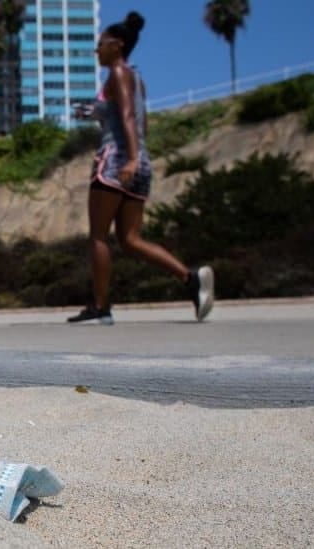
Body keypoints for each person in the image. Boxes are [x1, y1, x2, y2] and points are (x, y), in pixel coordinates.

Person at [68, 11, 213, 325]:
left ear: (117, 45)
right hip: (140, 162)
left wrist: (129, 158)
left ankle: (100, 307)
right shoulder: (138, 80)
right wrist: (100, 115)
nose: (97, 50)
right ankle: (191, 280)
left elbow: (130, 120)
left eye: (101, 44)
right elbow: (137, 120)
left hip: (117, 161)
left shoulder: (118, 73)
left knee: (97, 237)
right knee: (131, 240)